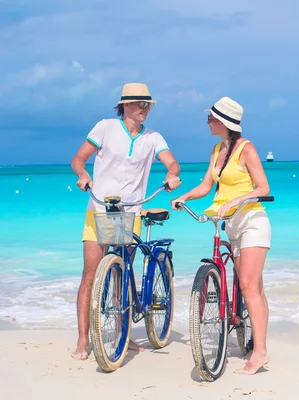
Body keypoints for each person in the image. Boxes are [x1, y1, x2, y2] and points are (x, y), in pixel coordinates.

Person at [70, 82, 182, 360]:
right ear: (127, 105)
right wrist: (83, 176)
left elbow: (172, 162)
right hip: (99, 209)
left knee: (122, 274)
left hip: (130, 213)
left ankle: (124, 335)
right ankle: (83, 340)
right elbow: (78, 159)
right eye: (141, 104)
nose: (146, 109)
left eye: (149, 105)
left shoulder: (153, 137)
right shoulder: (105, 127)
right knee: (90, 275)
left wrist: (172, 174)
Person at [170, 96, 271, 375]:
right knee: (251, 286)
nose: (207, 122)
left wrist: (239, 200)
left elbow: (263, 187)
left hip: (251, 220)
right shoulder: (217, 150)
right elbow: (206, 185)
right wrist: (185, 197)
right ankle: (249, 336)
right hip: (228, 222)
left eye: (211, 118)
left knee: (250, 286)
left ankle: (260, 352)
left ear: (224, 122)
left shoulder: (246, 149)